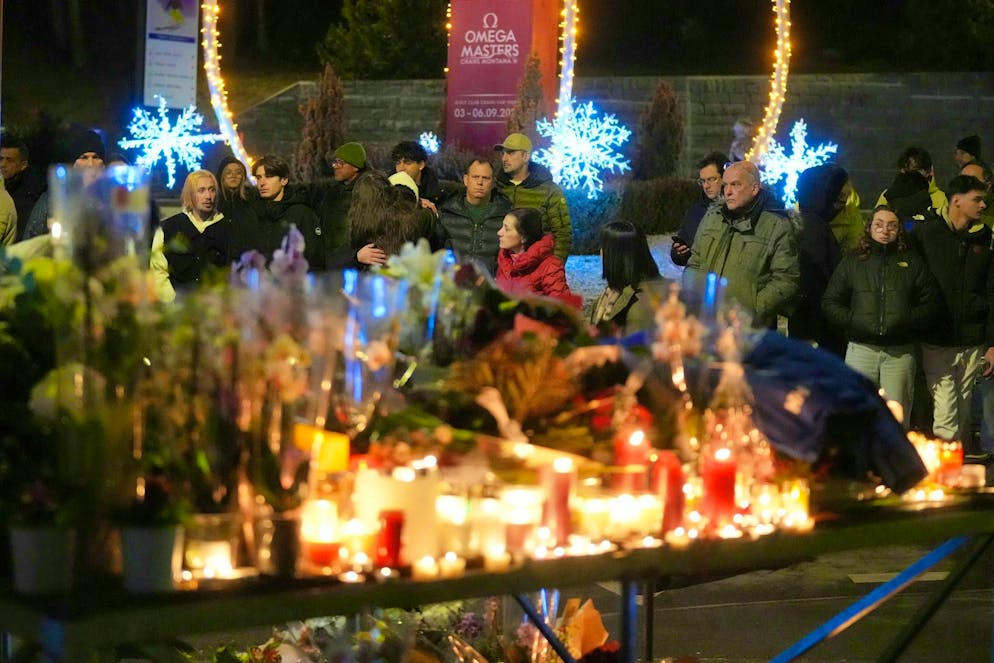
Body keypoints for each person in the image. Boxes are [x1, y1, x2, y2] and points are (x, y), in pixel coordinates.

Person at [822, 206, 939, 427]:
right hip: (861, 350)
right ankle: (860, 461)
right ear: (869, 228)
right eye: (879, 224)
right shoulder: (853, 262)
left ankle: (893, 461)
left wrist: (907, 321)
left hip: (899, 353)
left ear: (899, 230)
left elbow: (931, 303)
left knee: (897, 417)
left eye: (892, 225)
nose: (885, 230)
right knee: (855, 414)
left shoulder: (912, 262)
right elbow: (830, 301)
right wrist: (853, 321)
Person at [910, 175, 993, 442]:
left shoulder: (984, 237)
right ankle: (947, 468)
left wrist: (990, 342)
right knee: (946, 410)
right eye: (977, 199)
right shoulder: (927, 233)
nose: (983, 205)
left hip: (971, 339)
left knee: (964, 409)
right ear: (956, 200)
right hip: (936, 338)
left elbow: (990, 291)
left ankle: (951, 465)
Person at [684, 161, 800, 328]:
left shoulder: (776, 225)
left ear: (754, 188)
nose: (728, 192)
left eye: (735, 185)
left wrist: (752, 309)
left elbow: (787, 278)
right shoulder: (713, 217)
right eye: (725, 185)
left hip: (749, 331)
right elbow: (694, 262)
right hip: (706, 322)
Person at [790, 163, 849, 356]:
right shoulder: (815, 229)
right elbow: (817, 281)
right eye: (840, 198)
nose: (843, 204)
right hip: (818, 327)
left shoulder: (811, 223)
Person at [150, 170, 228, 302]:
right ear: (190, 194)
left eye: (212, 190)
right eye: (201, 190)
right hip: (177, 309)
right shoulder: (168, 228)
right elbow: (158, 271)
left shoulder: (227, 228)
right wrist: (174, 303)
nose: (208, 196)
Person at [232, 155, 322, 267]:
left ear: (283, 180)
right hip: (258, 281)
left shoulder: (302, 213)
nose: (262, 183)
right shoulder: (251, 213)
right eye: (259, 177)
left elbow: (313, 255)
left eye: (269, 176)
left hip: (292, 281)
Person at [494, 133, 572, 260]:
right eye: (503, 153)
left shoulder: (549, 191)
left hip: (536, 268)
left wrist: (553, 269)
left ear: (525, 156)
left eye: (511, 153)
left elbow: (562, 234)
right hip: (501, 269)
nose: (504, 158)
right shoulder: (496, 187)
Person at [22, 129, 105, 240]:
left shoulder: (111, 196)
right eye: (83, 157)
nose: (90, 164)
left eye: (95, 157)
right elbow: (32, 236)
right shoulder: (54, 198)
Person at [437, 159, 511, 275]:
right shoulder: (447, 212)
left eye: (485, 178)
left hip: (489, 285)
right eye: (475, 177)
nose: (480, 182)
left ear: (493, 182)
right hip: (452, 283)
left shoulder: (506, 216)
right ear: (466, 180)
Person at [305, 141, 368, 270]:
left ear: (356, 167)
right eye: (335, 162)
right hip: (332, 263)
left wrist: (352, 256)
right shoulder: (332, 193)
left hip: (356, 266)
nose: (335, 166)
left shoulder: (368, 193)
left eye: (341, 163)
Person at [496, 207, 578, 305]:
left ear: (523, 237)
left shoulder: (550, 266)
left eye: (507, 229)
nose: (499, 233)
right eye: (502, 227)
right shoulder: (505, 260)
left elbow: (561, 309)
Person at [590, 221, 660, 335]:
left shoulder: (637, 305)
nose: (600, 252)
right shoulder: (613, 291)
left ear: (616, 255)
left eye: (604, 247)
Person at [670, 152, 724, 267]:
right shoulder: (695, 212)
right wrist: (678, 253)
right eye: (703, 181)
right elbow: (682, 241)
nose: (706, 186)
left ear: (725, 177)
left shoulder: (738, 210)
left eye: (711, 179)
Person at [876, 146, 948, 215]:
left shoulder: (940, 199)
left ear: (928, 171)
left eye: (914, 171)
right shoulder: (887, 196)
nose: (906, 176)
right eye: (904, 170)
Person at [0, 134, 45, 241]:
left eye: (9, 160)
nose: (2, 164)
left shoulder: (32, 195)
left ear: (23, 165)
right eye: (1, 159)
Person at [390, 140, 444, 211]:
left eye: (408, 163)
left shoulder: (437, 190)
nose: (401, 168)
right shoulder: (388, 186)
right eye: (398, 163)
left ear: (421, 165)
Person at [215, 155, 258, 224]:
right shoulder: (214, 202)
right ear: (222, 176)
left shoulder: (253, 198)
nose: (233, 175)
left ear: (243, 177)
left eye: (238, 173)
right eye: (228, 172)